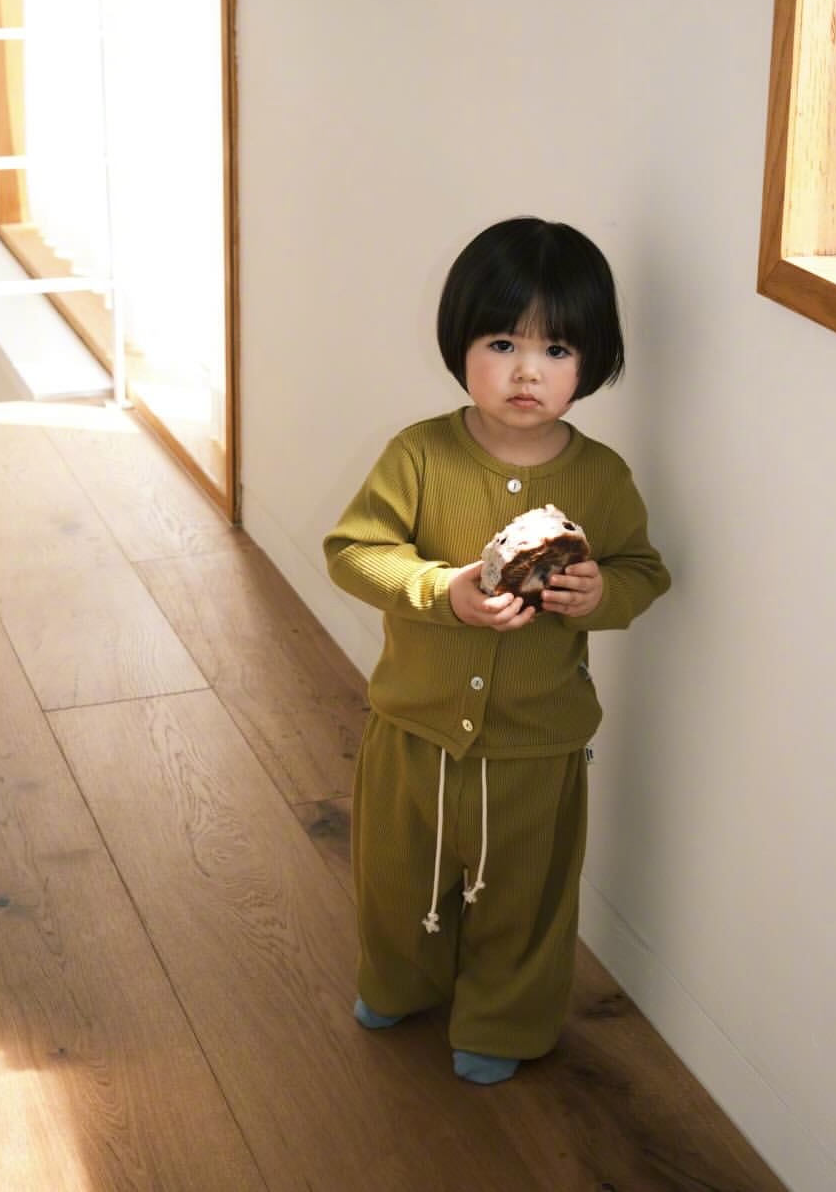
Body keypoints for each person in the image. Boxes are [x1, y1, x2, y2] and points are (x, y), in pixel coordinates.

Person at [324, 216, 671, 1086]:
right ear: (460, 343)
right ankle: (400, 980)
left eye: (556, 349)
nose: (527, 371)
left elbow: (643, 570)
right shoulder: (419, 454)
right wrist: (444, 591)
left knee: (524, 894)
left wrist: (600, 593)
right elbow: (354, 551)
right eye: (503, 342)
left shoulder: (602, 477)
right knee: (398, 879)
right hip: (415, 727)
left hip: (536, 744)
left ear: (592, 360)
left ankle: (504, 1020)